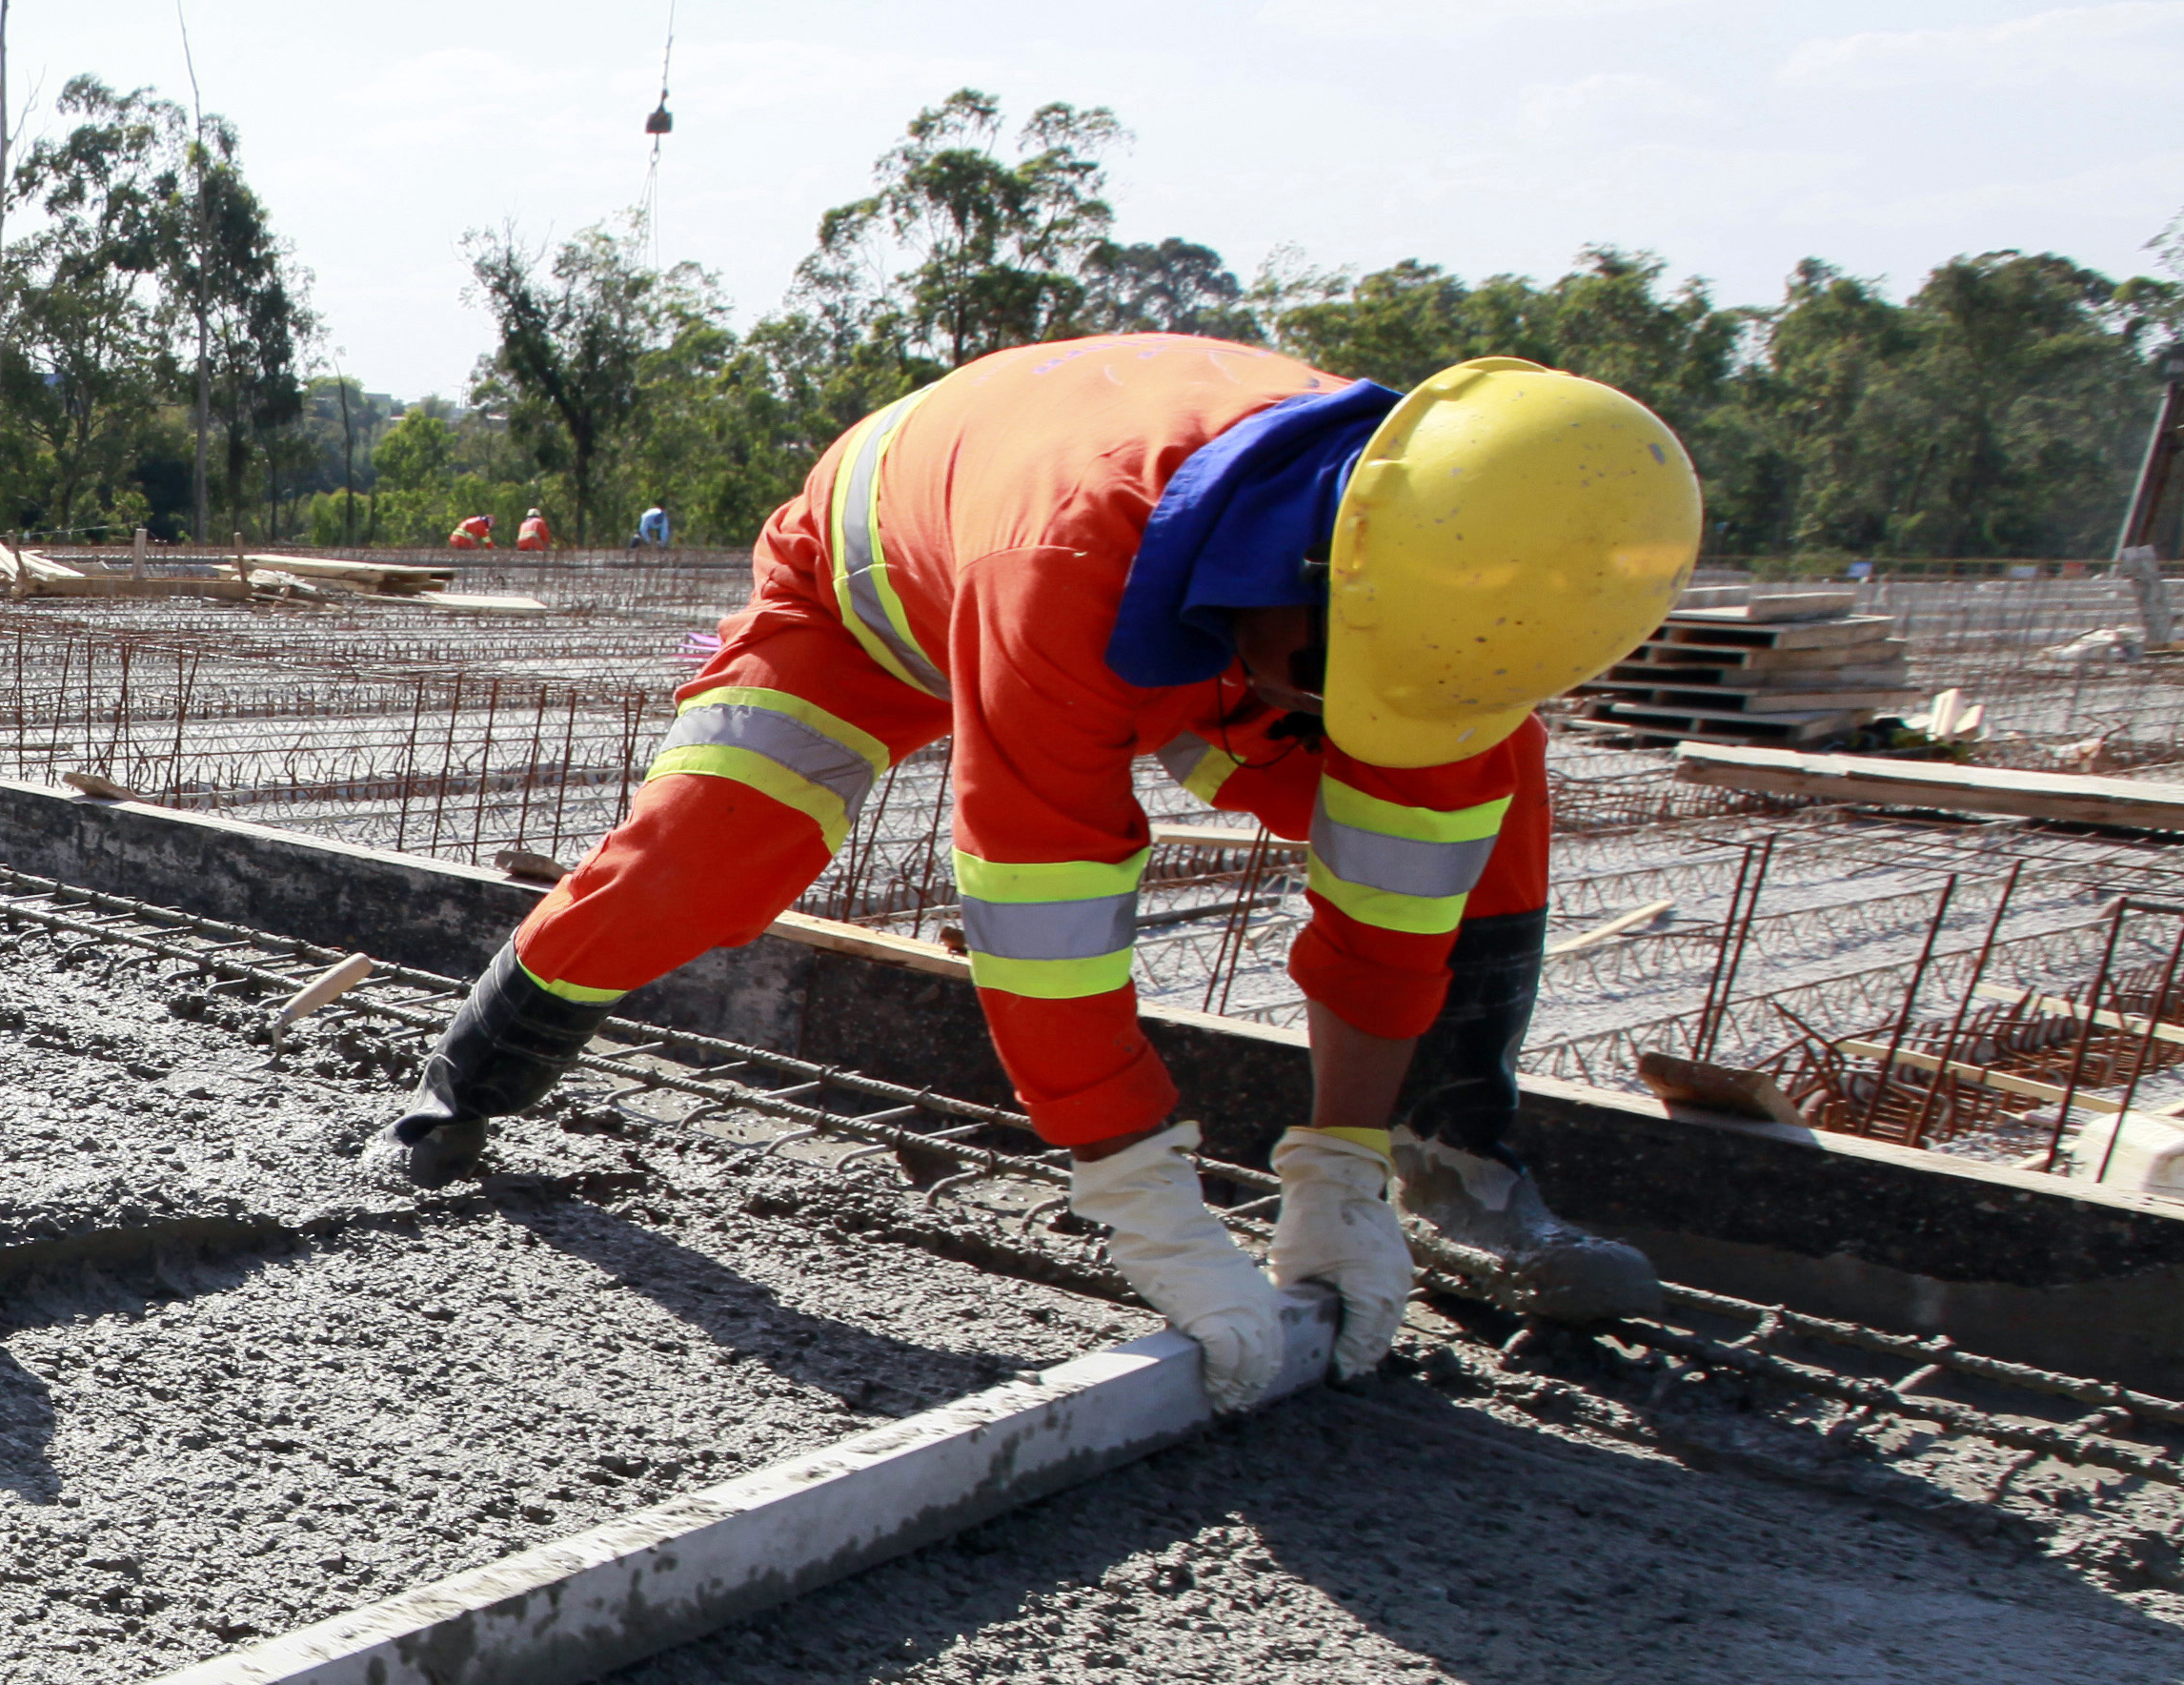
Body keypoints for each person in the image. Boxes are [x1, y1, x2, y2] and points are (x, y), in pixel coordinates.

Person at [377, 335, 1696, 1386]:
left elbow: (1400, 900)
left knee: (1492, 791)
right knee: (705, 859)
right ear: (1309, 572)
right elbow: (1042, 924)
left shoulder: (1442, 576)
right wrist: (1148, 1203)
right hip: (874, 598)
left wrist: (1338, 1157)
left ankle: (1452, 1167)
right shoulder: (1062, 564)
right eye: (1320, 683)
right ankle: (462, 1088)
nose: (1336, 725)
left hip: (1190, 608)